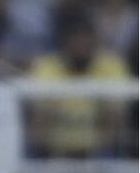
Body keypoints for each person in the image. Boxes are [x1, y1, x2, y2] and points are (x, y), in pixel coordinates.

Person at [27, 17, 130, 157]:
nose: (81, 45)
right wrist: (59, 154)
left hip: (100, 151)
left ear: (95, 41)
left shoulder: (112, 65)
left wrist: (89, 153)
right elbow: (40, 122)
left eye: (86, 39)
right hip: (54, 152)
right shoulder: (45, 67)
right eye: (76, 39)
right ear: (64, 42)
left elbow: (114, 121)